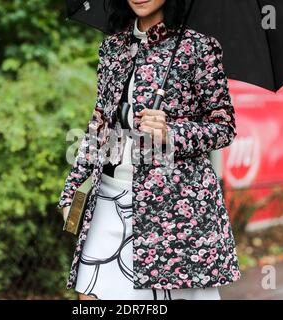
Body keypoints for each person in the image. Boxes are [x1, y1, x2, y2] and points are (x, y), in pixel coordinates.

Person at [58, 0, 241, 300]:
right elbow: (99, 124)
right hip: (109, 195)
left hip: (173, 211)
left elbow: (223, 127)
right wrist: (72, 190)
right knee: (90, 296)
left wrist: (172, 133)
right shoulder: (113, 48)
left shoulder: (198, 47)